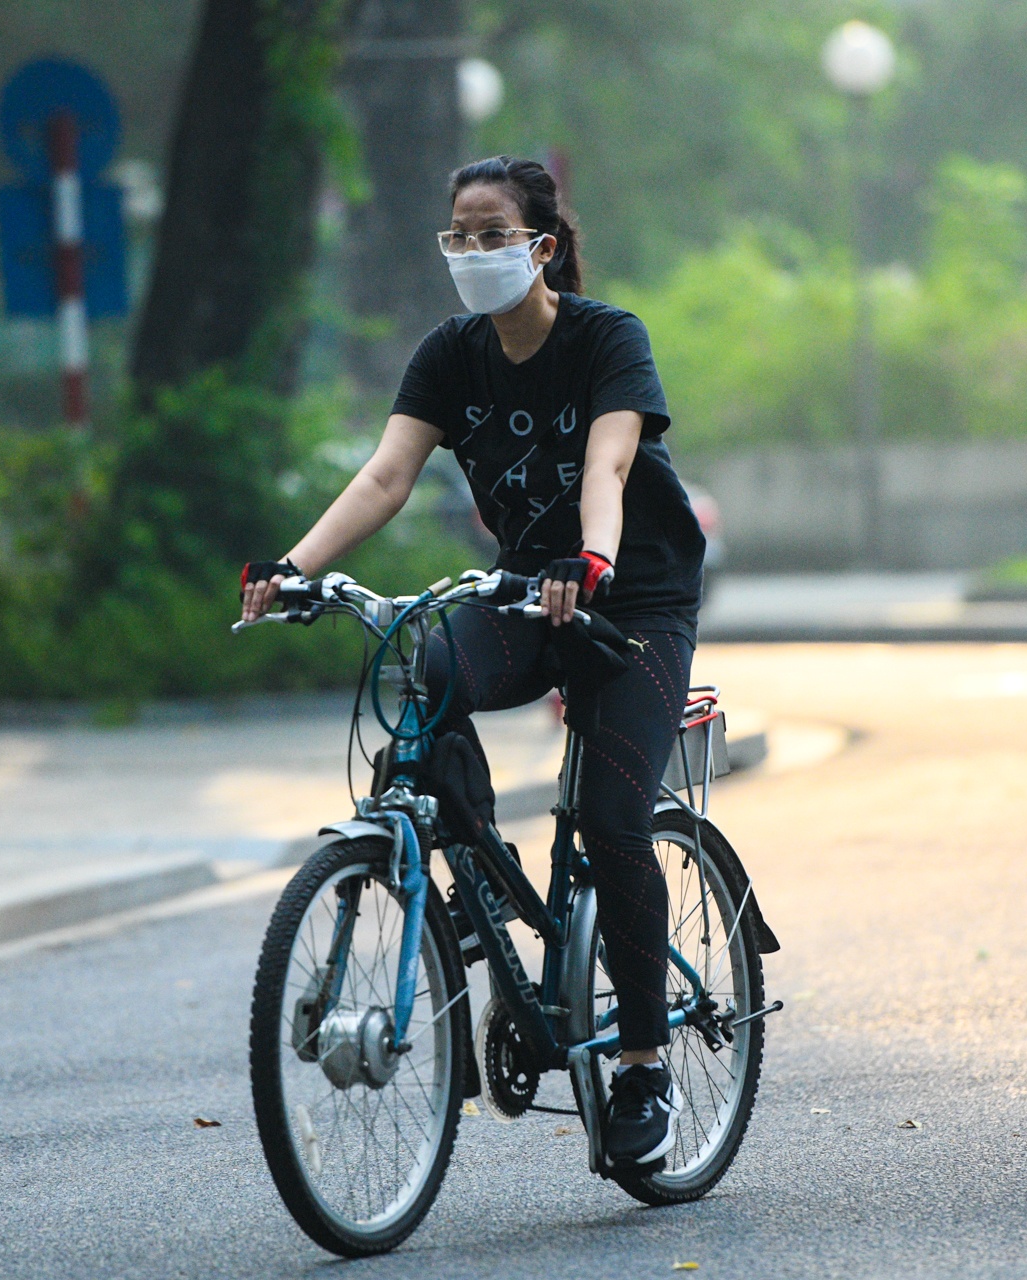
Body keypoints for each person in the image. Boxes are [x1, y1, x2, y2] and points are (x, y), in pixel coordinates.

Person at [239, 156, 706, 1168]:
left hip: (635, 597)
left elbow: (612, 462)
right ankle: (478, 875)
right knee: (430, 673)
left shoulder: (605, 338)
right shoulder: (451, 357)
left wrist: (594, 557)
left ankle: (642, 1066)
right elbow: (385, 473)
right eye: (460, 234)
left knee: (616, 821)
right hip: (527, 592)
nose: (474, 251)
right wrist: (295, 566)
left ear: (542, 245)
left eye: (494, 232)